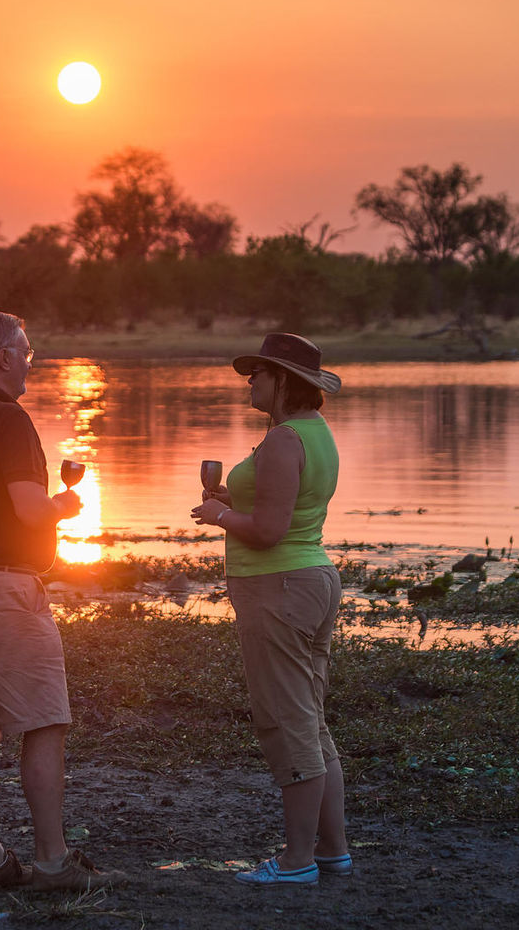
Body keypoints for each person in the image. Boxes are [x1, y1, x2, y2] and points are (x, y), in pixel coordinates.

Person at [0, 310, 127, 892]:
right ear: (4, 358)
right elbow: (30, 510)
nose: (31, 360)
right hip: (2, 589)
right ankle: (53, 861)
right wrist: (64, 504)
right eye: (27, 350)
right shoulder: (10, 421)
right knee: (44, 724)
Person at [191, 332, 351, 885]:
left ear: (283, 379)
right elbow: (288, 506)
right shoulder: (314, 434)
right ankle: (332, 851)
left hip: (280, 584)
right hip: (310, 578)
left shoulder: (284, 439)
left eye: (257, 373)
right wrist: (238, 504)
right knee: (310, 719)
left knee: (287, 722)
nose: (249, 381)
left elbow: (267, 532)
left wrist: (218, 518)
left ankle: (297, 860)